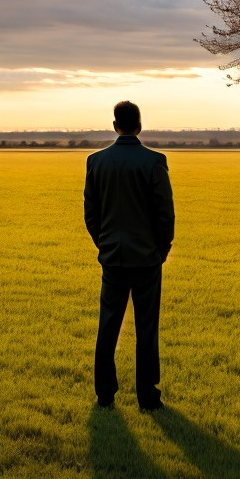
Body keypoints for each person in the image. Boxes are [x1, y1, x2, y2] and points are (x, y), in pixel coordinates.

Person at [83, 100, 175, 411]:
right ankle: (148, 397)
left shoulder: (96, 161)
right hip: (147, 258)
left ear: (114, 126)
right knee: (146, 328)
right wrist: (161, 250)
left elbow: (91, 214)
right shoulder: (154, 161)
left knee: (107, 325)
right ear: (139, 125)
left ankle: (104, 394)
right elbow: (165, 214)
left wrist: (104, 244)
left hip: (112, 257)